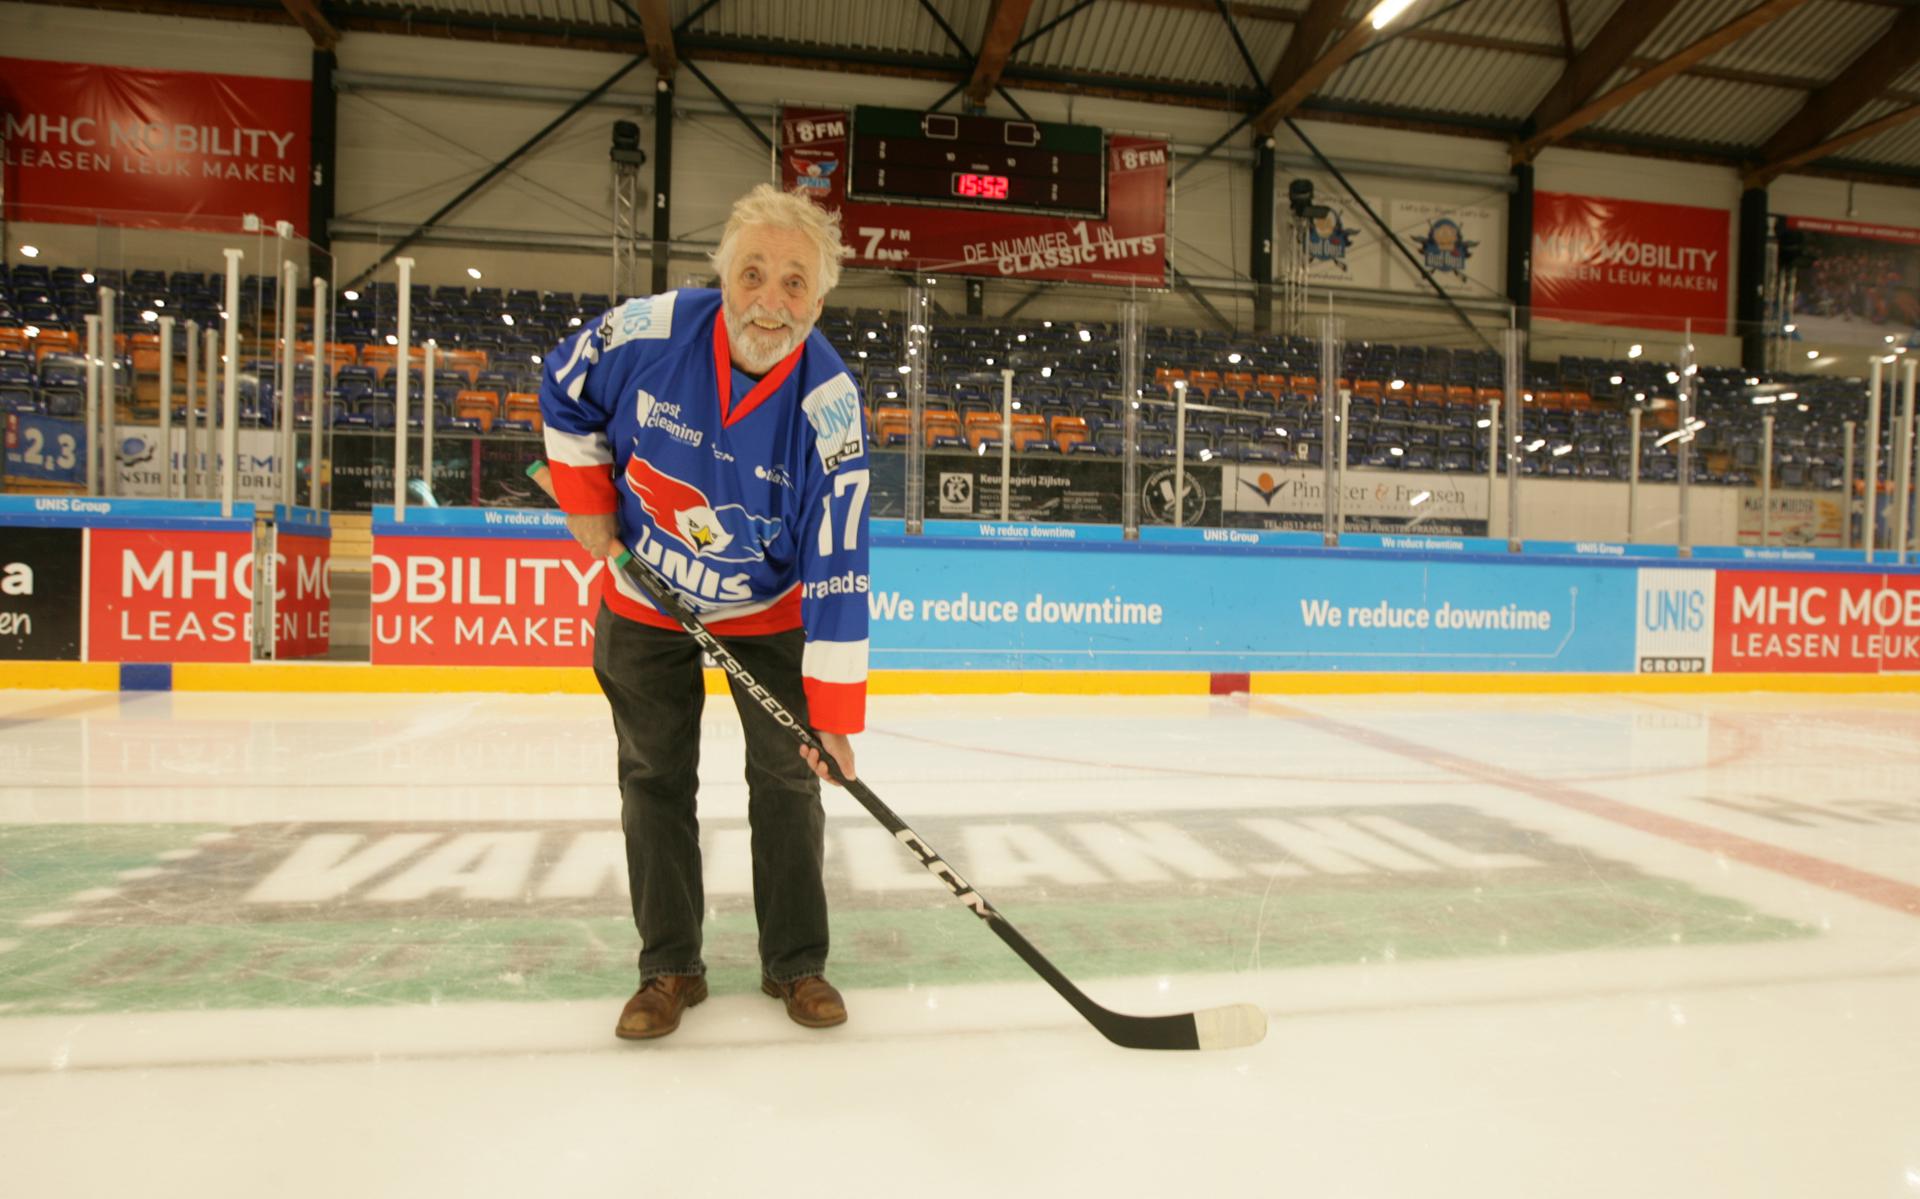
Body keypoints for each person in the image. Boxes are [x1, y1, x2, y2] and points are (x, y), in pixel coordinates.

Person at [538, 183, 870, 1040]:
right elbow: (563, 383)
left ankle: (796, 962)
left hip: (765, 613)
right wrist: (584, 496)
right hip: (645, 596)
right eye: (752, 273)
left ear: (820, 299)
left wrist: (832, 719)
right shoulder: (653, 329)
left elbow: (839, 566)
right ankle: (670, 965)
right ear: (721, 277)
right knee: (653, 774)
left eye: (795, 282)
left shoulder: (830, 409)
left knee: (789, 781)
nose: (770, 299)